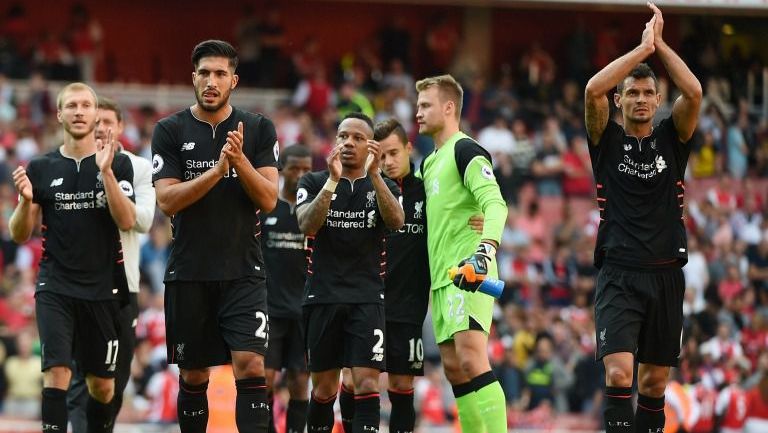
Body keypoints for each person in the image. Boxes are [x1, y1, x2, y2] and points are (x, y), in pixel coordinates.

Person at [583, 4, 702, 433]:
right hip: (619, 272)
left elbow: (694, 93)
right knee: (618, 374)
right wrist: (641, 50)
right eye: (630, 93)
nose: (639, 99)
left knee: (654, 383)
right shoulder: (605, 139)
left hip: (667, 273)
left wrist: (661, 46)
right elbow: (593, 90)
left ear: (657, 101)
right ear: (621, 100)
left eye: (647, 93)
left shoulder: (673, 138)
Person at [151, 39, 279, 433]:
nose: (211, 81)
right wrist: (217, 170)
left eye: (220, 74)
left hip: (244, 271)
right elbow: (168, 200)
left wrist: (239, 161)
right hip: (190, 271)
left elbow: (270, 199)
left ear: (234, 80)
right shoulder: (169, 130)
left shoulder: (258, 129)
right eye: (204, 73)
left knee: (252, 364)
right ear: (193, 77)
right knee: (193, 375)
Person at [8, 82, 137, 433]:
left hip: (103, 289)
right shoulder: (41, 166)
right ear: (60, 113)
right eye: (72, 105)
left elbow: (127, 220)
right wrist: (24, 200)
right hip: (56, 286)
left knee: (102, 386)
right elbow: (20, 233)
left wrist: (106, 171)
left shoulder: (119, 163)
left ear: (97, 115)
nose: (79, 111)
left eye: (86, 105)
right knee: (57, 372)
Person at [296, 112, 404, 433]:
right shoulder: (314, 181)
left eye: (358, 138)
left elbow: (397, 222)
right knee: (324, 389)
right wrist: (332, 180)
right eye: (343, 136)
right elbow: (306, 224)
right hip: (322, 297)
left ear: (371, 146)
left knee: (368, 384)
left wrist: (375, 177)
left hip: (366, 298)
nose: (348, 143)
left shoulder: (382, 185)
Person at [415, 73, 509, 433]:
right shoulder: (427, 163)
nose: (418, 112)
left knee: (471, 357)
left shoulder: (465, 149)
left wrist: (484, 252)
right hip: (441, 280)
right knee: (454, 367)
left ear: (449, 107)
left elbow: (495, 204)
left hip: (469, 272)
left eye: (426, 105)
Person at [67, 96, 156, 433]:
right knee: (79, 380)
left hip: (124, 289)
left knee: (114, 385)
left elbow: (143, 221)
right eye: (96, 121)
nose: (101, 127)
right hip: (80, 287)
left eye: (108, 122)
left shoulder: (138, 167)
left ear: (120, 127)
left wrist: (106, 174)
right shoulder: (70, 165)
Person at [259, 144, 313, 433]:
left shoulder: (313, 213)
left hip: (304, 311)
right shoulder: (267, 207)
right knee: (265, 378)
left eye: (306, 169)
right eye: (295, 168)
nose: (301, 174)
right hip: (270, 309)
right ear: (282, 169)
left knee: (300, 380)